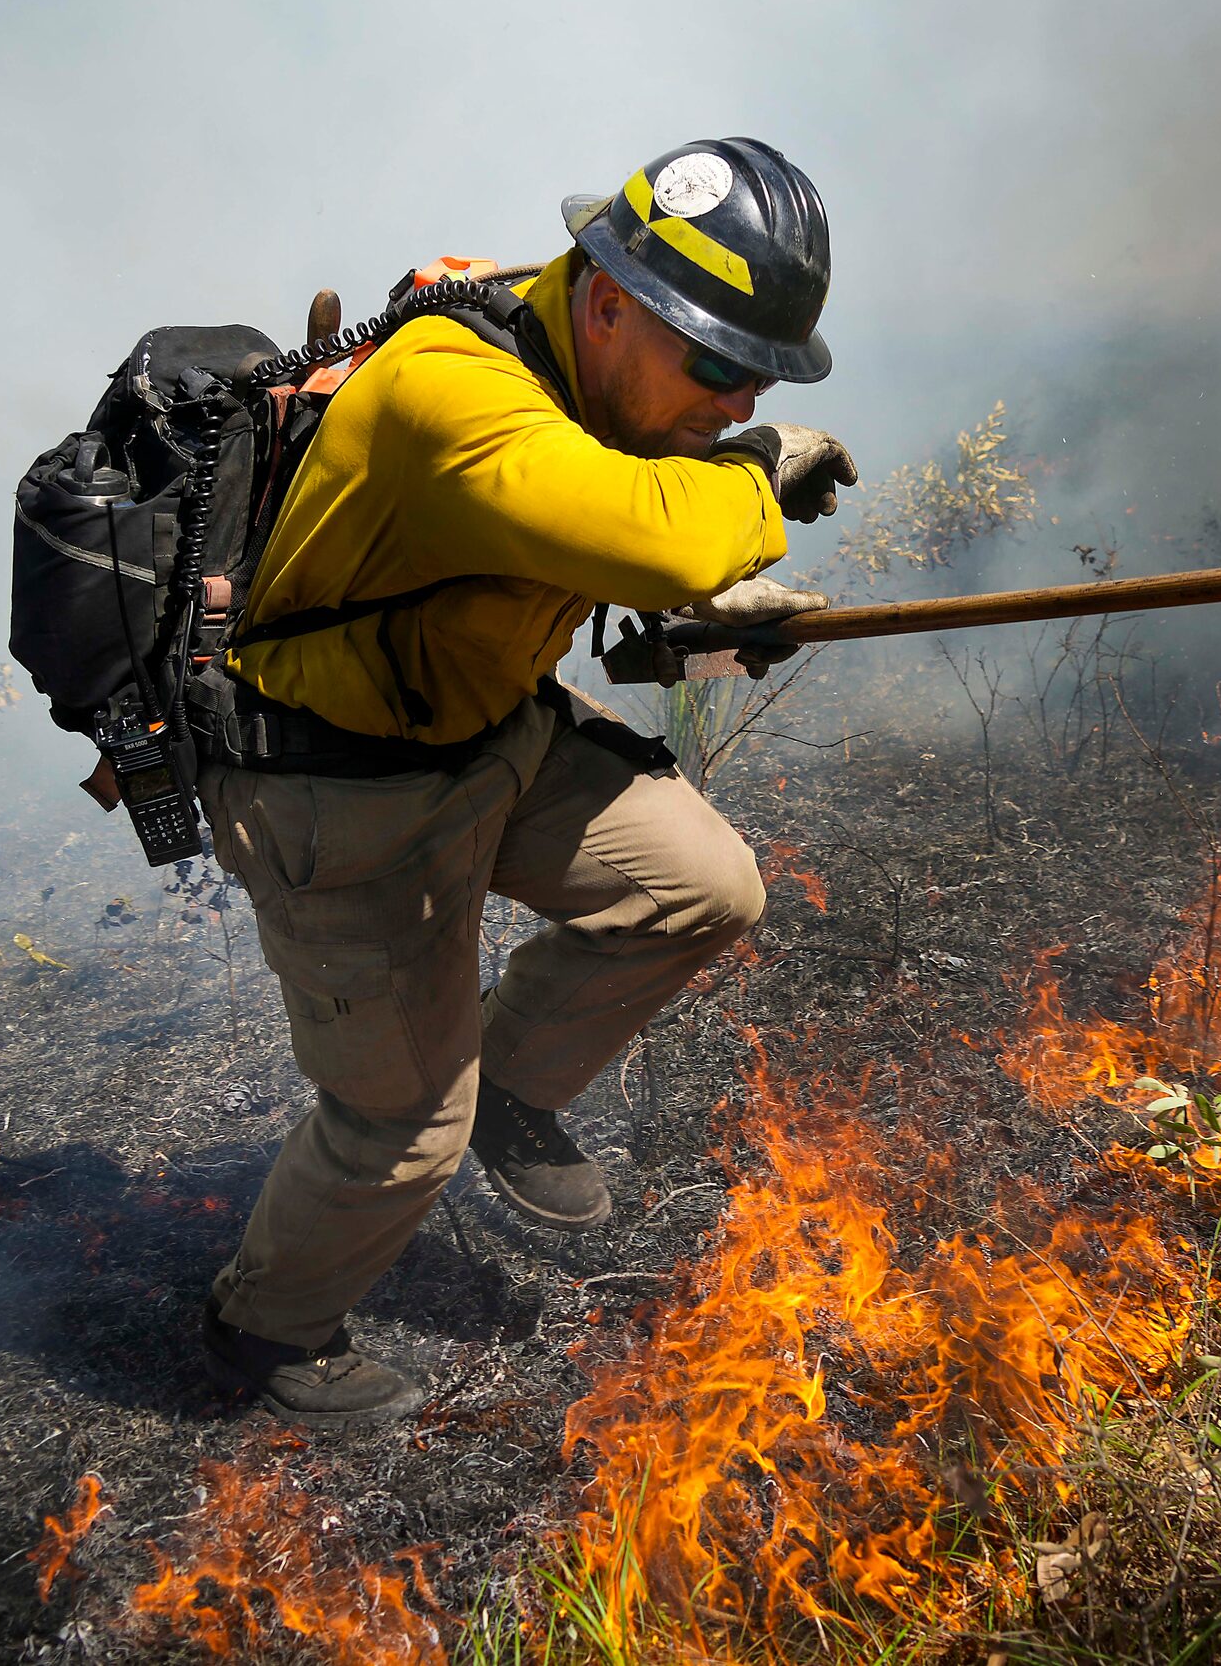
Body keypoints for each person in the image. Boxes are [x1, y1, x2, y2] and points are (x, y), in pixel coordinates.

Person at [193, 138, 859, 1424]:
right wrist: (752, 477)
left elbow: (599, 536)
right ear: (608, 300)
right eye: (717, 367)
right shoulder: (450, 389)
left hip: (492, 730)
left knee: (703, 886)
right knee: (402, 1130)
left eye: (758, 378)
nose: (731, 404)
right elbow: (631, 522)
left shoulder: (596, 380)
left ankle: (515, 1081)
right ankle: (265, 1328)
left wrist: (702, 599)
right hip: (345, 794)